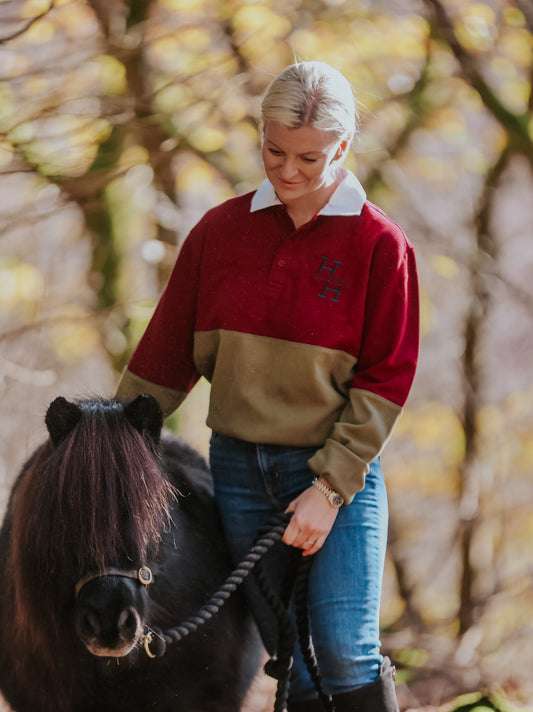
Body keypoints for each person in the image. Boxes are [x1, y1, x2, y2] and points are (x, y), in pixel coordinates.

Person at [116, 61, 419, 711]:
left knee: (343, 653)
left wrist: (330, 488)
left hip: (334, 472)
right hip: (237, 470)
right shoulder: (219, 234)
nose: (287, 171)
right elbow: (164, 361)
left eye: (308, 158)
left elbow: (385, 379)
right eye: (273, 151)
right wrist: (108, 445)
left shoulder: (379, 245)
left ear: (342, 147)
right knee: (295, 663)